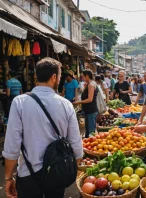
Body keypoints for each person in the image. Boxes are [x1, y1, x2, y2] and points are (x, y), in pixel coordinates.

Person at [2, 57, 83, 198]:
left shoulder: (19, 102)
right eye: (59, 76)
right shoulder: (66, 105)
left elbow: (12, 145)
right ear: (53, 77)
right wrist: (71, 169)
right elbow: (75, 143)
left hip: (28, 173)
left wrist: (8, 177)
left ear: (36, 76)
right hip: (56, 173)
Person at [74, 70, 98, 138]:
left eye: (83, 76)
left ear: (87, 76)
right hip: (88, 110)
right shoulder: (89, 84)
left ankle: (91, 147)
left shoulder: (91, 85)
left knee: (91, 132)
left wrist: (78, 102)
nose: (82, 78)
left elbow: (90, 99)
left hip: (91, 110)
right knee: (88, 132)